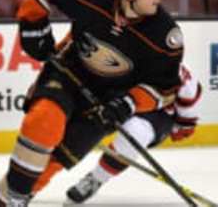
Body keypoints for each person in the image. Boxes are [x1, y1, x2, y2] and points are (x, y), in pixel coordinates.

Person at [0, 0, 184, 207]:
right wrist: (33, 25)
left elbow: (163, 89)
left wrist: (128, 104)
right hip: (68, 74)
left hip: (106, 103)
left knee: (54, 162)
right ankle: (14, 199)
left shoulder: (164, 35)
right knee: (44, 121)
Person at [66, 64, 201, 203]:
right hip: (118, 100)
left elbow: (188, 104)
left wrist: (183, 126)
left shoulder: (174, 70)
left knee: (136, 132)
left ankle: (96, 179)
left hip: (157, 115)